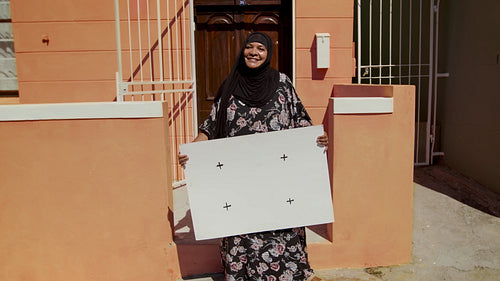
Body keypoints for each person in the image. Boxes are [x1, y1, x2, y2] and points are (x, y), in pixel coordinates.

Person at [178, 32, 327, 281]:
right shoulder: (230, 85)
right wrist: (192, 152)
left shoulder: (282, 83)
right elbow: (212, 124)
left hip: (277, 175)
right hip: (240, 177)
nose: (254, 53)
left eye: (261, 48)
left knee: (280, 223)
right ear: (242, 51)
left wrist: (316, 139)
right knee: (243, 225)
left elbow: (299, 118)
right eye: (249, 47)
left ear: (268, 53)